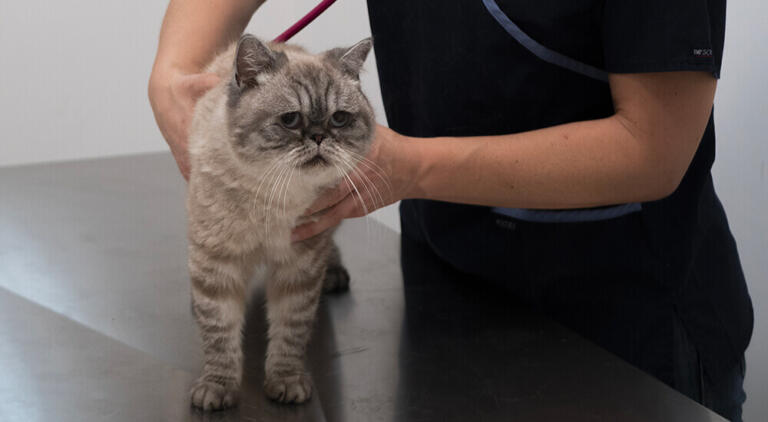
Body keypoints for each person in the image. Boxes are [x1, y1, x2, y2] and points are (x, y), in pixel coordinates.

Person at [148, 1, 753, 420]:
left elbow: (655, 151)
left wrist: (409, 168)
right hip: (446, 294)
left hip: (624, 331)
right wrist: (171, 74)